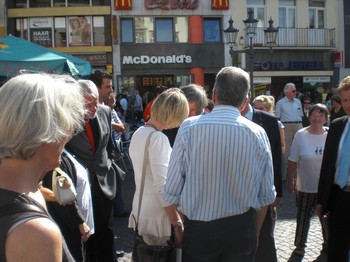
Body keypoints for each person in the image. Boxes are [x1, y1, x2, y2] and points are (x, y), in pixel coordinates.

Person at [163, 66, 276, 262]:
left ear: (213, 96)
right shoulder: (258, 133)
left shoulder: (189, 128)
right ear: (245, 102)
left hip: (199, 231)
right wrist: (254, 232)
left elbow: (172, 190)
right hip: (241, 230)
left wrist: (181, 223)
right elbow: (266, 195)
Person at [0, 73, 86, 261]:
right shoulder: (34, 232)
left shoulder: (33, 193)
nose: (69, 136)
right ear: (48, 132)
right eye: (67, 125)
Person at [128, 88, 189, 252]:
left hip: (141, 208)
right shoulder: (158, 138)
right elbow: (162, 186)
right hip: (158, 214)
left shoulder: (139, 132)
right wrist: (176, 222)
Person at [65, 79, 117, 262]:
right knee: (86, 234)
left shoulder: (105, 111)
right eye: (88, 103)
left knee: (107, 232)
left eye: (95, 101)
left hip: (104, 182)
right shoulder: (66, 117)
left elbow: (109, 146)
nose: (94, 107)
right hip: (79, 185)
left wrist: (109, 165)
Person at [287, 103, 329, 259]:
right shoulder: (301, 134)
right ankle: (300, 245)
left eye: (321, 115)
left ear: (326, 118)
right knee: (303, 217)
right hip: (305, 186)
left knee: (326, 219)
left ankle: (328, 243)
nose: (317, 118)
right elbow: (292, 160)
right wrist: (290, 180)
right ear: (309, 116)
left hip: (325, 187)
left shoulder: (330, 134)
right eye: (314, 114)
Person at [243, 94, 283, 262]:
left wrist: (278, 192)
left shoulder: (269, 121)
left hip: (263, 190)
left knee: (264, 239)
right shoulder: (230, 119)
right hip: (239, 191)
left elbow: (276, 157)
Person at [316, 76, 350, 261]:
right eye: (344, 100)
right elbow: (328, 164)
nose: (347, 104)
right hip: (340, 197)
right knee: (336, 250)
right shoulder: (337, 126)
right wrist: (322, 199)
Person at [41, 149, 94, 262]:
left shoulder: (62, 154)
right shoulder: (51, 157)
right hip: (66, 225)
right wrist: (80, 221)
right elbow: (63, 194)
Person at [275, 82, 304, 180]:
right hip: (286, 125)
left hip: (298, 124)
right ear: (287, 92)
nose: (296, 92)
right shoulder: (280, 103)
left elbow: (301, 115)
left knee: (300, 148)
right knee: (286, 151)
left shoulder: (298, 101)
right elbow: (277, 117)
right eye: (294, 91)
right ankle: (284, 176)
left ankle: (298, 175)